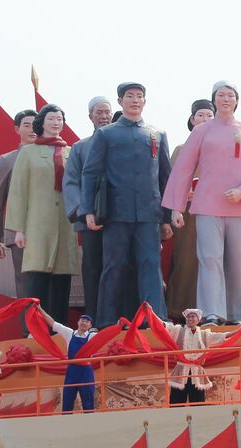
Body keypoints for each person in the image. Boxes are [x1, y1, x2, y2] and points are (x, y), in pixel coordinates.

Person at [163, 81, 241, 326]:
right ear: (214, 99)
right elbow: (183, 169)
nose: (225, 99)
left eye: (230, 95)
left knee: (236, 262)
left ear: (236, 101)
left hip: (239, 208)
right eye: (221, 95)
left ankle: (236, 315)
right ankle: (211, 313)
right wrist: (176, 207)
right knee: (209, 259)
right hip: (207, 206)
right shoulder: (202, 132)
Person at [81, 82, 173, 326]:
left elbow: (166, 178)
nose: (135, 100)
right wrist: (88, 210)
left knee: (151, 266)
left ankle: (154, 320)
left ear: (145, 101)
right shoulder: (106, 134)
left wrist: (167, 216)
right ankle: (106, 321)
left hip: (149, 214)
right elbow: (90, 173)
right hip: (116, 212)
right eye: (129, 96)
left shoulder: (157, 134)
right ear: (120, 101)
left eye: (139, 96)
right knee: (113, 266)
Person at [7, 103, 79, 325]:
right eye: (51, 119)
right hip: (37, 224)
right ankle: (33, 329)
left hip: (65, 223)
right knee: (36, 280)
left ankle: (59, 329)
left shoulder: (71, 152)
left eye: (59, 119)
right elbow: (18, 191)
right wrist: (18, 229)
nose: (56, 123)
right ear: (42, 123)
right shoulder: (29, 152)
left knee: (61, 280)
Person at [63, 96, 115, 324]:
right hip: (90, 220)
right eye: (99, 113)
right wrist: (82, 212)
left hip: (120, 220)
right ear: (90, 117)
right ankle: (93, 317)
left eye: (107, 112)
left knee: (119, 268)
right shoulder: (80, 148)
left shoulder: (122, 143)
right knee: (92, 269)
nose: (103, 117)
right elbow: (71, 181)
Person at [164, 99, 216, 321]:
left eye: (209, 116)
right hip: (187, 215)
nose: (205, 119)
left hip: (215, 213)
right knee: (186, 262)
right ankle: (177, 311)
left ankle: (211, 312)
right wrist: (185, 195)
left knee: (212, 263)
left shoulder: (222, 148)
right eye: (201, 115)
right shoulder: (181, 149)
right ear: (192, 119)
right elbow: (171, 183)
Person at [0, 110, 38, 299]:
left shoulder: (52, 156)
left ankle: (53, 328)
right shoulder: (7, 160)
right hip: (18, 233)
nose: (32, 129)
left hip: (48, 231)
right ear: (17, 129)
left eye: (35, 124)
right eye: (26, 125)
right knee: (26, 283)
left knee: (51, 282)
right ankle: (29, 328)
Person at [163, 309, 238, 404]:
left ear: (198, 320)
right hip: (180, 373)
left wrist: (239, 331)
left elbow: (223, 336)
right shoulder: (178, 331)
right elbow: (163, 326)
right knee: (176, 403)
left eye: (193, 316)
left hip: (197, 374)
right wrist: (151, 313)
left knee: (198, 404)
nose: (190, 318)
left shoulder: (204, 335)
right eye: (188, 317)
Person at [40, 309, 99, 413]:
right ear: (78, 322)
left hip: (86, 372)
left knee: (88, 401)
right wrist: (39, 308)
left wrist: (118, 326)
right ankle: (66, 424)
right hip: (72, 370)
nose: (84, 322)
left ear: (90, 326)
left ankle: (90, 425)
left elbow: (106, 336)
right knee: (67, 400)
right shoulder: (69, 333)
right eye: (82, 320)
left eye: (87, 321)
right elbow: (53, 323)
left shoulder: (92, 336)